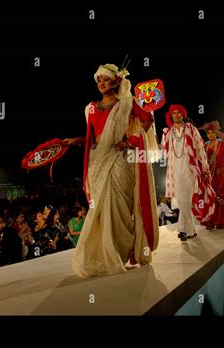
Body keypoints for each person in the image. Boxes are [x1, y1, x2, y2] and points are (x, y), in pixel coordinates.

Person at [63, 63, 159, 277]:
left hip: (119, 159)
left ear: (116, 81)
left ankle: (119, 250)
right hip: (98, 160)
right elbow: (91, 137)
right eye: (99, 81)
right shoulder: (91, 108)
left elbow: (148, 119)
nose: (102, 84)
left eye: (106, 80)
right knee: (99, 209)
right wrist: (76, 141)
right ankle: (102, 253)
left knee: (121, 208)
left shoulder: (126, 103)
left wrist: (132, 140)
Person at [161, 104, 214, 240]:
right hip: (174, 171)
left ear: (183, 115)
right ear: (171, 116)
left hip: (190, 169)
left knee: (185, 198)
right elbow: (163, 152)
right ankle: (191, 231)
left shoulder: (191, 129)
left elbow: (200, 149)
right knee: (183, 201)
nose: (177, 115)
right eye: (174, 113)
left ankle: (182, 230)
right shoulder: (168, 132)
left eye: (179, 113)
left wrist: (205, 168)